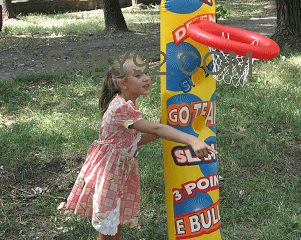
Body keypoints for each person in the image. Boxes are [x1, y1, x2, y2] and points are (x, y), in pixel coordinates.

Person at [65, 54, 218, 240]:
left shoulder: (130, 102)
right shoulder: (121, 108)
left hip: (119, 169)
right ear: (123, 83)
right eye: (138, 75)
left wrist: (157, 133)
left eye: (146, 72)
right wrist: (192, 140)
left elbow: (134, 138)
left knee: (114, 221)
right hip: (109, 172)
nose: (146, 77)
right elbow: (156, 128)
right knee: (106, 228)